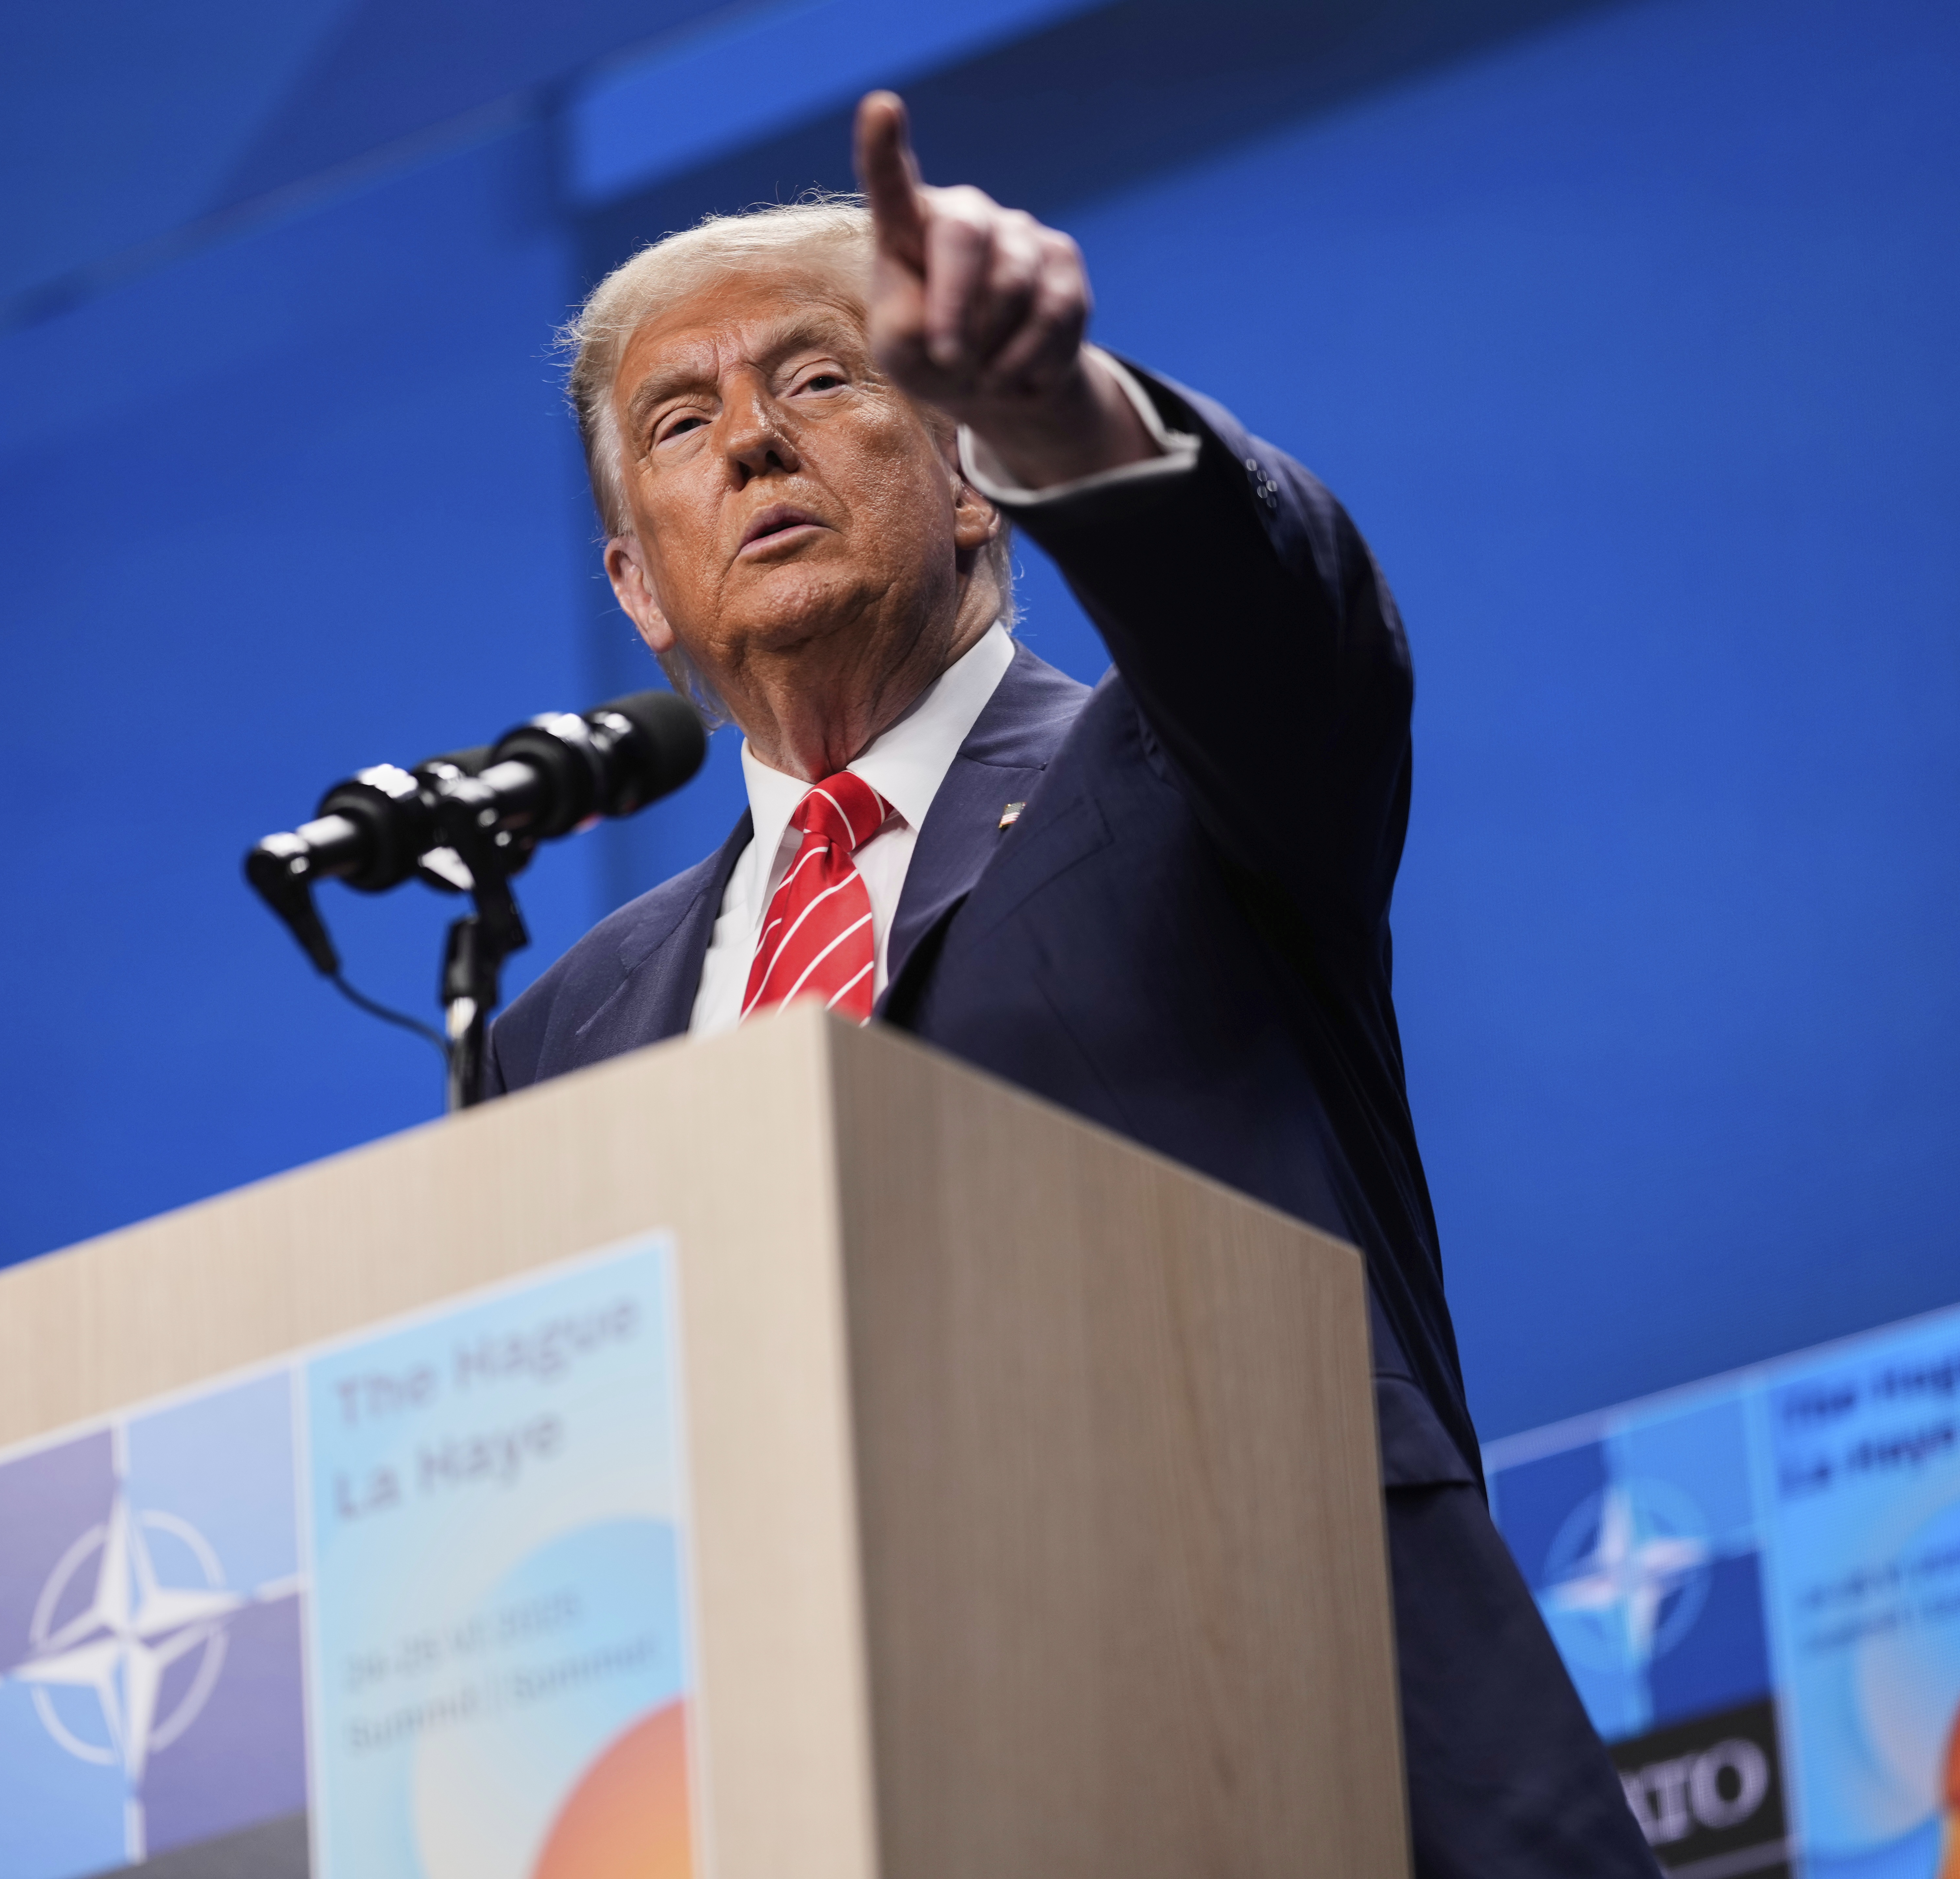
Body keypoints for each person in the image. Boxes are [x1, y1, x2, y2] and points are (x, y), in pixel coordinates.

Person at [489, 90, 1656, 1877]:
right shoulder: (557, 1035)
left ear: (969, 479)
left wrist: (1062, 406)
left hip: (1290, 1738)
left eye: (818, 380)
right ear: (637, 586)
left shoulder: (1182, 774)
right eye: (681, 419)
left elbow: (1274, 612)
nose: (750, 444)